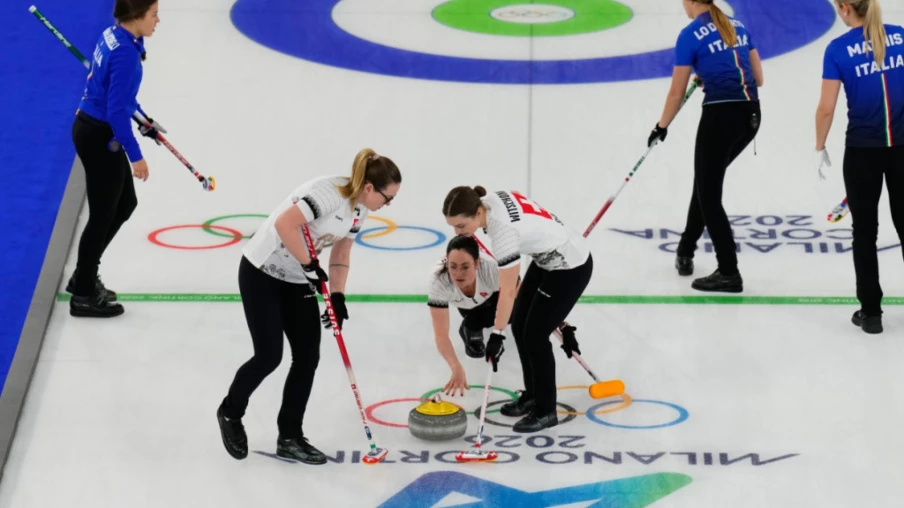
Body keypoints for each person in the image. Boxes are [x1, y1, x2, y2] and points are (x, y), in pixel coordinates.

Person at [216, 148, 401, 463]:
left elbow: (341, 252)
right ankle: (230, 412)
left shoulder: (360, 210)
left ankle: (290, 435)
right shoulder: (330, 194)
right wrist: (309, 265)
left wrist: (338, 297)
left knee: (307, 357)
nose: (388, 204)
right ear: (370, 188)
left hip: (297, 280)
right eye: (388, 197)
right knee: (269, 356)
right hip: (261, 273)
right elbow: (285, 225)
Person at [442, 186, 589, 433]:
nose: (457, 233)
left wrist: (497, 335)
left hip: (569, 267)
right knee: (520, 323)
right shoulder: (487, 201)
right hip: (549, 258)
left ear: (478, 213)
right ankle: (532, 394)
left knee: (535, 335)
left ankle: (545, 410)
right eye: (453, 227)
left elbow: (508, 291)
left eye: (460, 226)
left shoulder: (503, 235)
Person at [649, 0, 764, 293]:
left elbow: (676, 91)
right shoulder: (739, 26)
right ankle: (685, 251)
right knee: (706, 184)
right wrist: (710, 74)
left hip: (720, 119)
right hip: (750, 117)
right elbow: (758, 78)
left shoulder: (689, 35)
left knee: (709, 196)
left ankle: (729, 271)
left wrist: (661, 126)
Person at [66, 0, 166, 317]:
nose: (158, 20)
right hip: (99, 135)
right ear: (135, 16)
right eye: (153, 14)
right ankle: (82, 293)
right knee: (102, 215)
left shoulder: (117, 35)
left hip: (96, 127)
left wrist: (144, 119)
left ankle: (83, 275)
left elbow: (118, 95)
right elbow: (114, 111)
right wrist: (136, 157)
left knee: (124, 205)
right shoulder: (124, 51)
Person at [815, 0, 904, 334]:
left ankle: (871, 313)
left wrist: (819, 146)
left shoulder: (838, 50)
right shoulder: (901, 37)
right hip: (902, 149)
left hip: (863, 153)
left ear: (843, 8)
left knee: (865, 233)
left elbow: (826, 109)